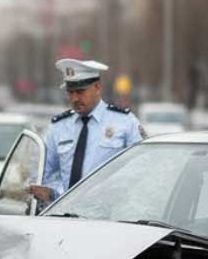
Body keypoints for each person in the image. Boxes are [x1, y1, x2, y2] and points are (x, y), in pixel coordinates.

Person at [29, 58, 144, 205]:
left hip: (111, 216)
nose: (75, 98)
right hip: (65, 214)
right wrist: (57, 193)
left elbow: (141, 170)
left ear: (97, 87)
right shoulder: (58, 127)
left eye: (80, 91)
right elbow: (43, 174)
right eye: (70, 92)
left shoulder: (125, 122)